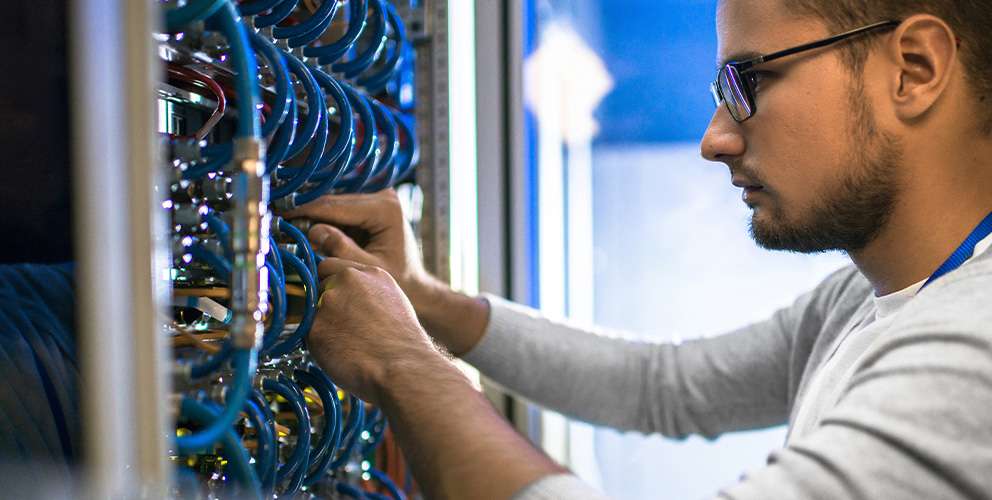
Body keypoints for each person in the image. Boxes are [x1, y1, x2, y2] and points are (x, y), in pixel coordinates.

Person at [284, 0, 992, 498]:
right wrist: (424, 300)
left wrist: (402, 366)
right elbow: (664, 385)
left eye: (749, 81)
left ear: (915, 68)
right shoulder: (861, 302)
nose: (715, 138)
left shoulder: (972, 348)